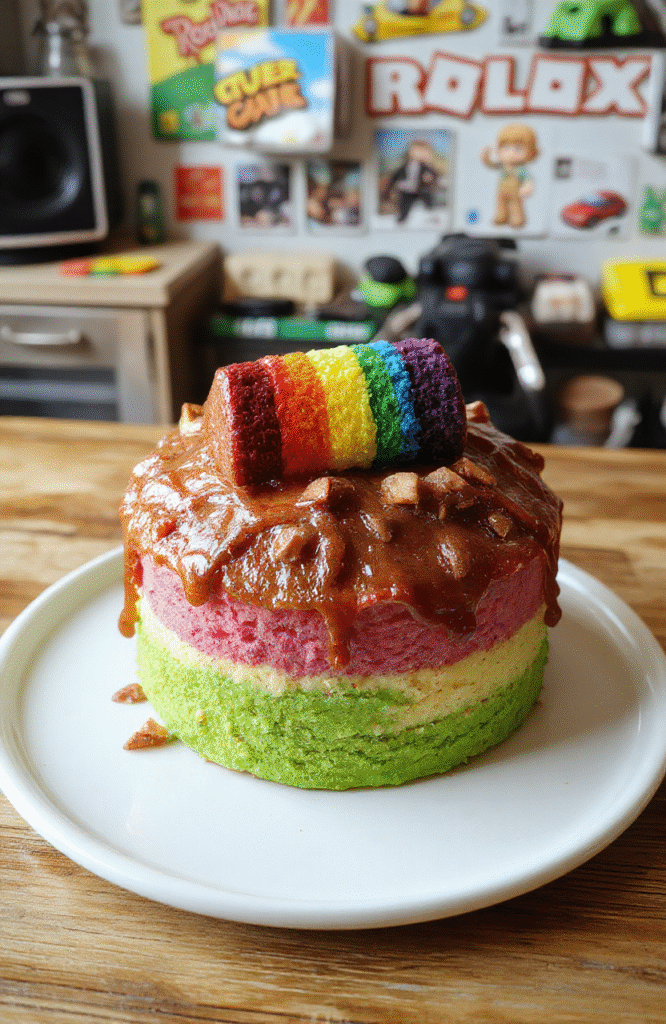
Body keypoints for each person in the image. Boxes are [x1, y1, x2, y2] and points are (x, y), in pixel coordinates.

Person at [481, 123, 539, 229]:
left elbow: (527, 179)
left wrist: (527, 187)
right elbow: (491, 165)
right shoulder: (502, 165)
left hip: (514, 190)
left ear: (530, 151)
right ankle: (501, 217)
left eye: (518, 148)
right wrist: (485, 158)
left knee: (516, 205)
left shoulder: (521, 168)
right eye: (505, 148)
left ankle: (518, 219)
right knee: (501, 204)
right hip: (502, 189)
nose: (511, 153)